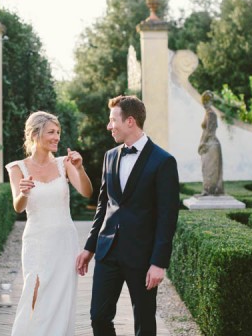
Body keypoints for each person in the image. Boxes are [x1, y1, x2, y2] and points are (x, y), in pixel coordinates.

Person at [76, 95, 180, 336]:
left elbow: (168, 216)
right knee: (98, 317)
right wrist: (89, 247)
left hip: (142, 256)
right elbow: (103, 206)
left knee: (144, 323)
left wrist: (159, 263)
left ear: (130, 121)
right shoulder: (110, 156)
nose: (109, 126)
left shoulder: (164, 161)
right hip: (107, 251)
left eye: (113, 120)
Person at [6, 111, 93, 336]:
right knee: (34, 294)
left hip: (65, 240)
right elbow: (18, 206)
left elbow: (86, 192)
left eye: (58, 133)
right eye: (51, 132)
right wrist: (24, 192)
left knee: (61, 298)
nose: (56, 137)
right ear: (36, 134)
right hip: (36, 241)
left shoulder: (65, 163)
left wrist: (80, 168)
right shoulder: (17, 168)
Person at [198, 90, 224, 196]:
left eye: (206, 100)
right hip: (209, 143)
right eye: (204, 100)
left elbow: (210, 131)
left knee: (210, 168)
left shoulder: (211, 114)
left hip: (211, 144)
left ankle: (210, 190)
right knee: (206, 167)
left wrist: (202, 143)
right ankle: (208, 189)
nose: (204, 103)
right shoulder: (208, 113)